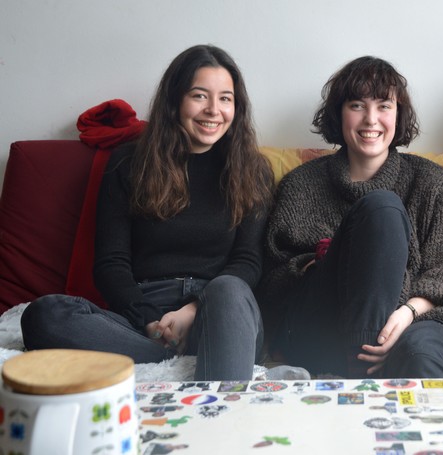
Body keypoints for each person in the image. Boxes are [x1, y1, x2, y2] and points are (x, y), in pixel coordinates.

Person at [21, 44, 274, 381]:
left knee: (228, 288)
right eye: (200, 96)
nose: (214, 110)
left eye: (226, 98)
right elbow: (111, 263)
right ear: (174, 101)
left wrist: (192, 310)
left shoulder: (253, 170)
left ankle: (215, 398)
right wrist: (151, 323)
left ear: (236, 106)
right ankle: (166, 355)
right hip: (143, 319)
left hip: (221, 312)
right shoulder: (129, 163)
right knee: (45, 315)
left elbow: (248, 262)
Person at [261, 56, 443, 378]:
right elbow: (274, 280)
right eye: (357, 105)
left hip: (414, 320)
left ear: (398, 114)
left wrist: (405, 314)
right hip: (320, 327)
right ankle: (364, 373)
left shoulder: (434, 184)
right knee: (381, 209)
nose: (370, 119)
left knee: (421, 353)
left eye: (384, 106)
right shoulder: (300, 185)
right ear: (339, 113)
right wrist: (335, 259)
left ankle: (434, 424)